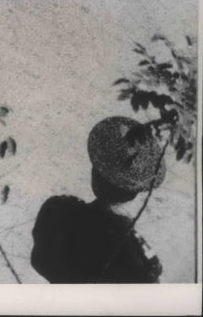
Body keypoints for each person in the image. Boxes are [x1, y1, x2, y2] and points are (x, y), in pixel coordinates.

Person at [31, 116, 165, 283]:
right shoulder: (133, 251)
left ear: (95, 174)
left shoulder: (58, 212)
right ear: (135, 190)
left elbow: (41, 261)